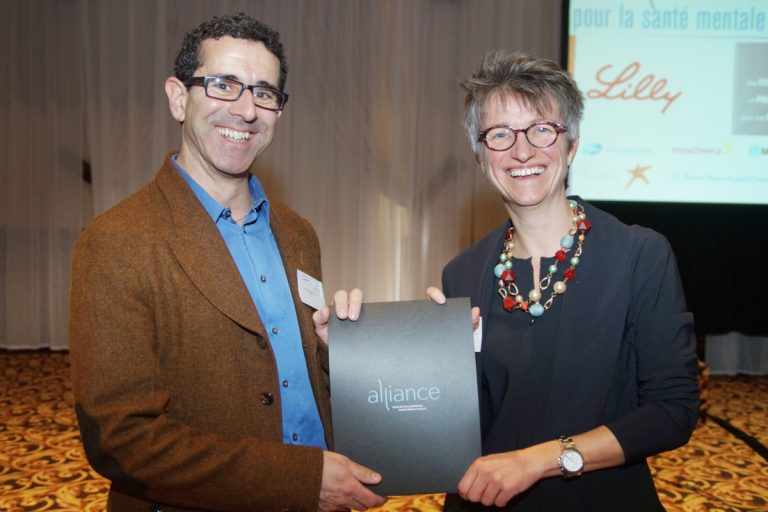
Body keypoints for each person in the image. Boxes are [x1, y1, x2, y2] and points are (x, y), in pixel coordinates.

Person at [69, 13, 386, 512]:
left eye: (265, 92)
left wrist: (340, 352)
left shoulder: (299, 234)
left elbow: (295, 380)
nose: (246, 109)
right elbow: (121, 438)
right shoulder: (115, 242)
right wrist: (299, 480)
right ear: (179, 97)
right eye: (224, 85)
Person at [427, 51, 699, 511]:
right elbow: (463, 425)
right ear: (480, 155)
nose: (522, 151)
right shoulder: (462, 273)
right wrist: (425, 363)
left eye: (542, 129)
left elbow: (671, 412)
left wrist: (538, 461)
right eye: (500, 135)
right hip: (488, 502)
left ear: (570, 145)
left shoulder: (639, 255)